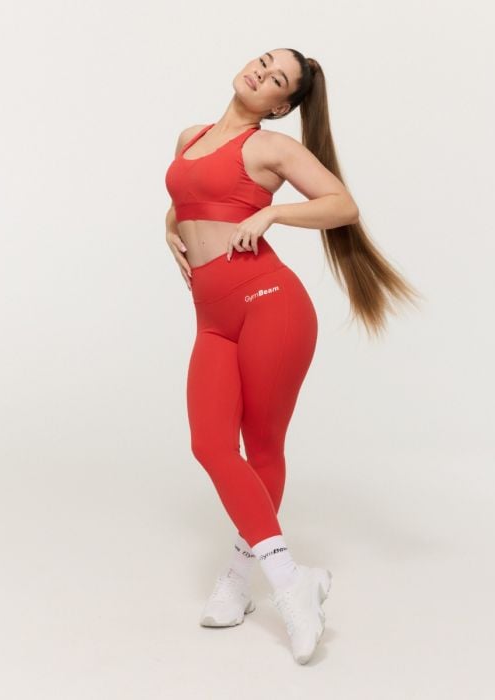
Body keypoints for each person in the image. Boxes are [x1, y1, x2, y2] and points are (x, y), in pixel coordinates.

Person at [164, 48, 420, 665]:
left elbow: (342, 205)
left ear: (280, 105)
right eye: (262, 61)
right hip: (213, 321)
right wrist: (168, 226)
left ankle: (254, 581)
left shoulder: (270, 147)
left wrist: (275, 211)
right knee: (210, 445)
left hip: (270, 305)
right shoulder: (191, 136)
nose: (260, 72)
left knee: (262, 448)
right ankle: (286, 578)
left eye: (276, 78)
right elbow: (190, 200)